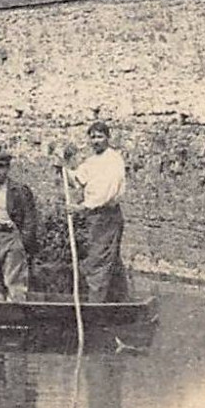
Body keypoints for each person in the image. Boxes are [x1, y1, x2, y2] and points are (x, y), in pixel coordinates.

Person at [66, 120, 131, 303]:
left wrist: (82, 207)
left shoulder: (113, 160)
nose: (96, 141)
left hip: (106, 215)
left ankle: (95, 306)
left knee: (98, 260)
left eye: (100, 137)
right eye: (93, 137)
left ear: (108, 138)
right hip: (93, 217)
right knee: (109, 258)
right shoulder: (92, 161)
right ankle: (120, 303)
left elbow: (107, 191)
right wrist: (63, 169)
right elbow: (78, 178)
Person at [0, 148, 36, 302]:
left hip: (12, 237)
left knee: (14, 280)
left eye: (0, 167)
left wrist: (23, 242)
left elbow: (30, 219)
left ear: (7, 168)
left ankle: (16, 319)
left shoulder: (18, 190)